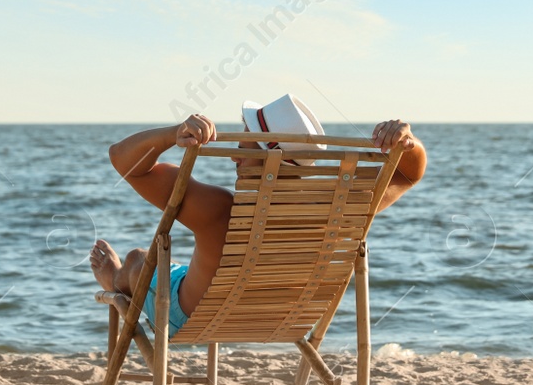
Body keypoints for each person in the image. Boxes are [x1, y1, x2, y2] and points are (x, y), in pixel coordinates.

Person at [90, 96, 427, 333]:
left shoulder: (218, 211)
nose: (235, 156)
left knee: (138, 260)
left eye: (245, 145)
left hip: (195, 318)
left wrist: (172, 134)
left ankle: (114, 278)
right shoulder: (337, 211)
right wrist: (407, 141)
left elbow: (124, 161)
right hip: (289, 321)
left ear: (268, 157)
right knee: (168, 267)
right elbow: (409, 175)